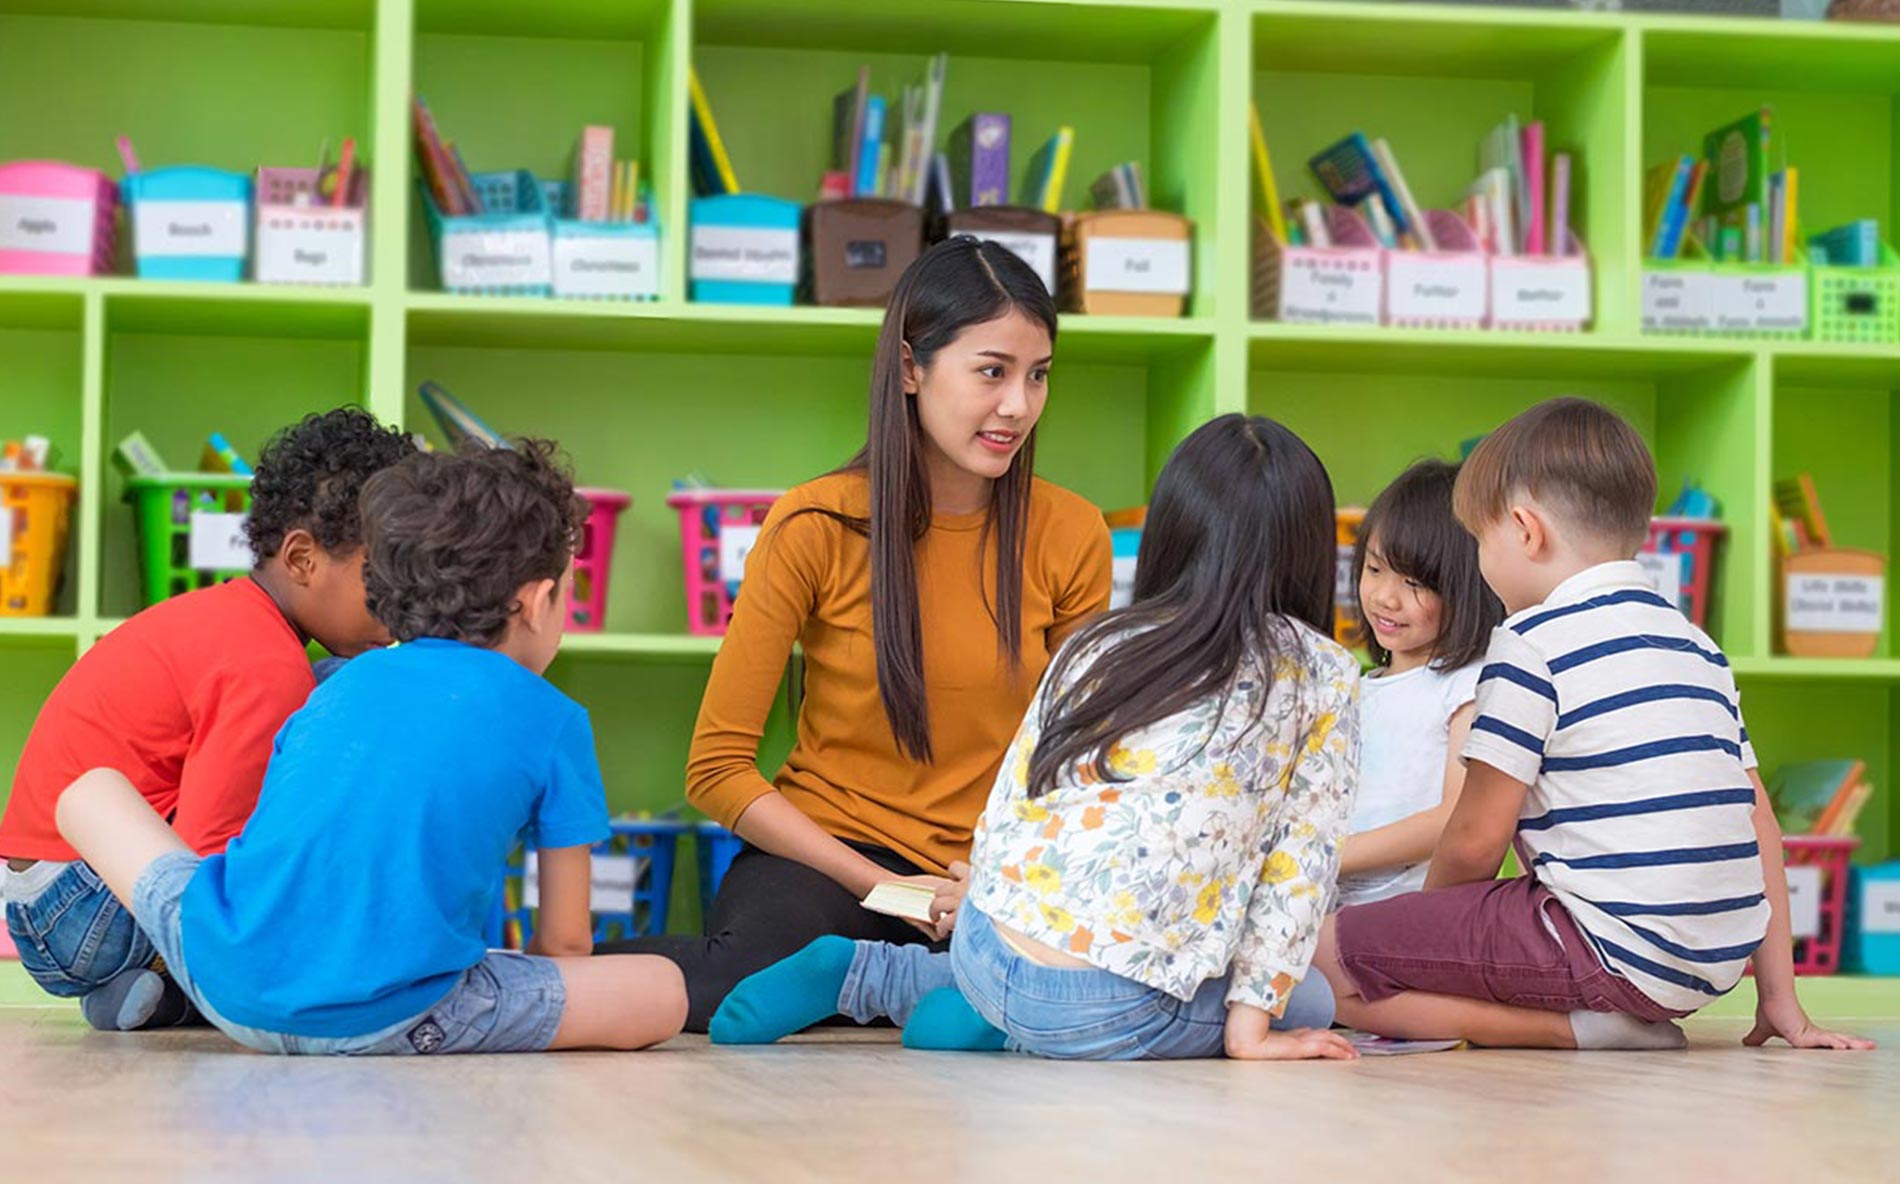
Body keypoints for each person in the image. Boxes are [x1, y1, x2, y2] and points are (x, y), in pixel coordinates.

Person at [711, 415, 1361, 1061]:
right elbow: (1299, 867)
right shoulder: (1323, 674)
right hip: (1108, 1008)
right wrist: (1250, 1036)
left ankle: (882, 978)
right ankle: (1008, 1025)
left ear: (1172, 531)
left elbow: (1023, 788)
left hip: (990, 947)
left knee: (1070, 967)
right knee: (1307, 999)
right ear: (1308, 549)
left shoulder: (1104, 643)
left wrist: (981, 902)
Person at [603, 237, 1113, 1031]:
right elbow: (717, 768)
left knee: (1092, 981)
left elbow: (1079, 764)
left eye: (1037, 375)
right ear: (911, 368)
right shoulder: (815, 522)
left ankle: (909, 991)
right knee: (736, 981)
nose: (1018, 404)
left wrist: (998, 880)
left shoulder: (1072, 532)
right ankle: (514, 979)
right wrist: (892, 892)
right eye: (992, 371)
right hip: (831, 860)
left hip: (995, 874)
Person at [54, 441, 687, 1055]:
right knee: (663, 990)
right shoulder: (556, 721)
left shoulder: (332, 682)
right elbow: (567, 945)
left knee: (90, 793)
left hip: (229, 978)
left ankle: (163, 991)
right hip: (395, 1016)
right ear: (537, 601)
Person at [1312, 397, 1874, 1052]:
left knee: (1328, 958)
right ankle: (1615, 1020)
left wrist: (1426, 929)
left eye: (1481, 541)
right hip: (1708, 966)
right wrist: (1781, 1001)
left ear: (1525, 531)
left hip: (1604, 950)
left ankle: (1580, 1030)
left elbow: (1475, 837)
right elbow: (1759, 825)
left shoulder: (1530, 644)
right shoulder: (1697, 647)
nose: (1483, 567)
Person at [1, 408, 414, 1030]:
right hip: (79, 908)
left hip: (52, 904)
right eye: (381, 583)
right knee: (351, 696)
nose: (399, 611)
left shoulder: (234, 621)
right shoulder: (264, 665)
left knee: (342, 691)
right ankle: (207, 986)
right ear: (301, 558)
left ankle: (152, 994)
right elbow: (207, 855)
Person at [1336, 459, 1502, 906]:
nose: (1385, 597)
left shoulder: (1468, 685)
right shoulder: (1356, 683)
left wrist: (1329, 857)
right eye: (1374, 569)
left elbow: (1455, 816)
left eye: (1414, 583)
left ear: (1466, 588)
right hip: (1333, 899)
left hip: (1409, 909)